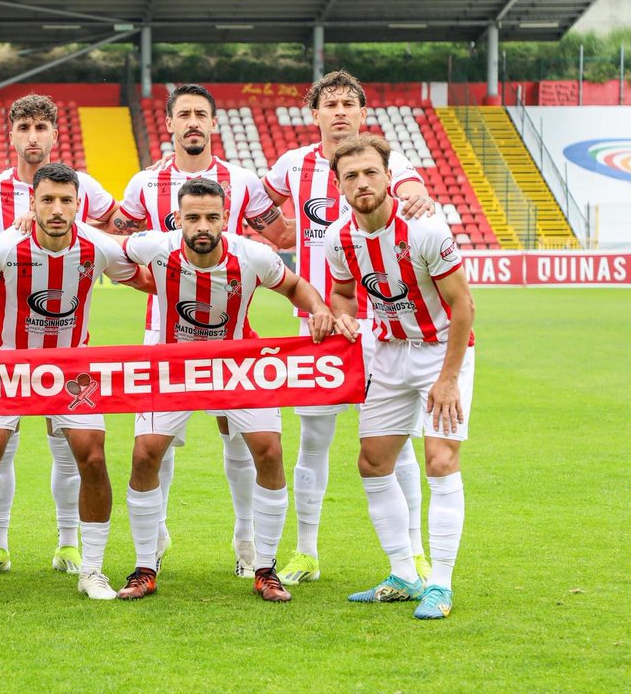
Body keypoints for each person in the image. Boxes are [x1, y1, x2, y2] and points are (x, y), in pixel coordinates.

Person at [0, 162, 151, 602]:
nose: (57, 209)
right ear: (33, 203)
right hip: (5, 365)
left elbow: (144, 280)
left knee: (94, 457)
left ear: (78, 205)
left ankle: (93, 569)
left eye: (66, 200)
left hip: (70, 370)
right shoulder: (5, 247)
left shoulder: (97, 246)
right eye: (48, 199)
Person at [115, 177, 343, 602]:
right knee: (145, 452)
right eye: (194, 218)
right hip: (173, 363)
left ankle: (265, 568)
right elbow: (106, 248)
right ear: (178, 219)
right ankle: (145, 566)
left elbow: (293, 285)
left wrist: (319, 309)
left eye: (212, 218)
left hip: (237, 364)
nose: (203, 226)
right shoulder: (155, 247)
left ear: (225, 219)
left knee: (269, 451)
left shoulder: (252, 255)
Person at [111, 83, 295, 577]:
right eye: (183, 115)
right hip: (164, 330)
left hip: (232, 331)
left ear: (214, 125)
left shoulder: (243, 180)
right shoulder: (144, 185)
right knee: (155, 442)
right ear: (168, 124)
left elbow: (282, 237)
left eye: (201, 115)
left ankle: (246, 540)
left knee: (238, 437)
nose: (193, 122)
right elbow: (121, 248)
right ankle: (157, 534)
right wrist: (161, 284)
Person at [264, 70, 435, 586]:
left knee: (395, 443)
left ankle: (415, 555)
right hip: (318, 328)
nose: (339, 111)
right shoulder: (293, 165)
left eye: (348, 103)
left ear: (363, 113)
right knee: (312, 440)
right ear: (313, 114)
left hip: (379, 330)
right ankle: (307, 552)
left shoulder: (388, 159)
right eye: (329, 103)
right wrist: (276, 236)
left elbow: (409, 186)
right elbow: (257, 206)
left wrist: (419, 197)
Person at [0, 94, 119, 577]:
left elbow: (115, 231)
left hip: (69, 349)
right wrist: (4, 246)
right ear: (11, 134)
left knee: (71, 449)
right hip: (6, 347)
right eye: (24, 128)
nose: (33, 137)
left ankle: (69, 543)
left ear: (54, 134)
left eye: (41, 128)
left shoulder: (85, 187)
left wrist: (68, 229)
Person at [323, 134, 474, 620]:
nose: (362, 182)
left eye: (370, 172)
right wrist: (344, 316)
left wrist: (448, 379)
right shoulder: (338, 238)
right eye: (351, 176)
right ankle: (404, 574)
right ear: (340, 186)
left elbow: (463, 306)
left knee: (440, 461)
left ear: (389, 177)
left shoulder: (426, 230)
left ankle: (441, 585)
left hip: (439, 352)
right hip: (386, 353)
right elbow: (344, 294)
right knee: (372, 462)